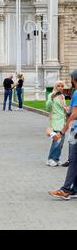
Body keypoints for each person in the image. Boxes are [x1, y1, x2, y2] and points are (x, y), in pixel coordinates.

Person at [49, 69, 77, 199]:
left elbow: (74, 115)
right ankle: (75, 189)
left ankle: (65, 190)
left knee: (73, 160)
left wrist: (61, 132)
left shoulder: (76, 93)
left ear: (74, 79)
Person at [46, 81, 69, 167]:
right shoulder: (51, 95)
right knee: (56, 141)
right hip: (55, 120)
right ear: (55, 87)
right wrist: (51, 98)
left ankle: (56, 158)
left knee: (61, 143)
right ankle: (51, 159)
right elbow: (48, 107)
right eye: (58, 86)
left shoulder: (62, 96)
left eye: (62, 86)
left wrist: (67, 109)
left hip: (63, 121)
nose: (60, 87)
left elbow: (63, 108)